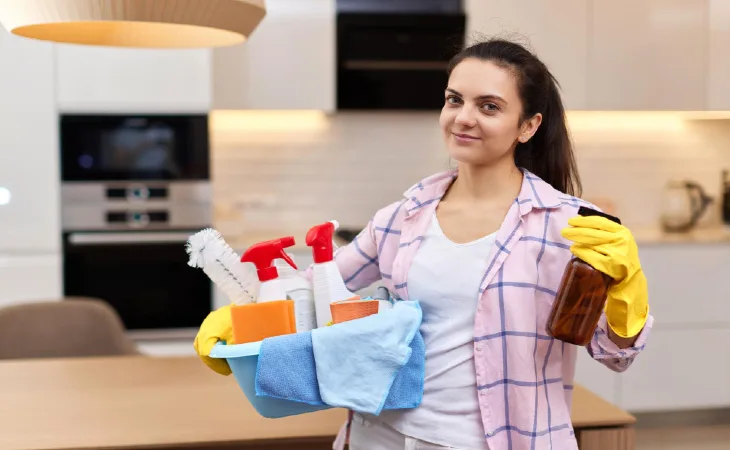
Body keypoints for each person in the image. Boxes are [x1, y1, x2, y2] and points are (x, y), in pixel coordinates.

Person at [194, 38, 653, 450]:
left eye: (489, 106)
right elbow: (317, 296)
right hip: (378, 435)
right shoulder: (404, 216)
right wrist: (242, 320)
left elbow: (616, 355)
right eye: (455, 99)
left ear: (528, 126)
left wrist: (626, 289)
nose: (463, 118)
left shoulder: (569, 227)